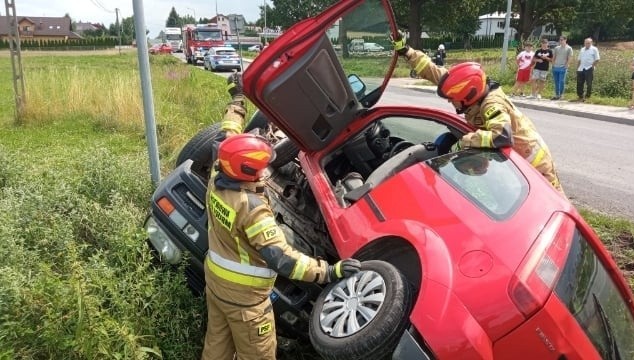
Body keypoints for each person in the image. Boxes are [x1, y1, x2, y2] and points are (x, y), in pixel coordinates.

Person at [201, 73, 361, 360]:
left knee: (217, 347)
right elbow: (284, 260)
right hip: (247, 302)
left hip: (216, 284)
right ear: (249, 172)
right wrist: (329, 271)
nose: (266, 171)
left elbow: (229, 131)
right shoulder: (253, 210)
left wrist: (237, 98)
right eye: (262, 167)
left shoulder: (217, 171)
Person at [391, 34, 565, 195]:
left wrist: (465, 142)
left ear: (468, 96)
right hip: (513, 163)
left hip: (534, 163)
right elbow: (434, 71)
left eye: (453, 99)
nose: (450, 102)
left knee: (552, 203)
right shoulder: (469, 85)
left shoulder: (491, 104)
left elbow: (502, 136)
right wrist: (406, 51)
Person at [574, 37, 600, 102]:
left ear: (591, 43)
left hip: (589, 68)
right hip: (581, 68)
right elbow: (579, 60)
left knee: (589, 83)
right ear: (584, 43)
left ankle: (587, 96)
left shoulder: (594, 49)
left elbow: (597, 59)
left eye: (588, 43)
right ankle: (580, 96)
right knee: (579, 83)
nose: (587, 44)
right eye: (585, 43)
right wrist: (577, 69)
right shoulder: (582, 49)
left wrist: (592, 66)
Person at [551, 36, 573, 100]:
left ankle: (561, 95)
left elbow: (570, 58)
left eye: (562, 40)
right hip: (555, 67)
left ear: (565, 40)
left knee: (561, 81)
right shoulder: (556, 48)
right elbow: (554, 57)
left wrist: (566, 65)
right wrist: (553, 65)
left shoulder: (569, 48)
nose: (560, 41)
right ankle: (557, 95)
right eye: (560, 40)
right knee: (556, 82)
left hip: (562, 67)